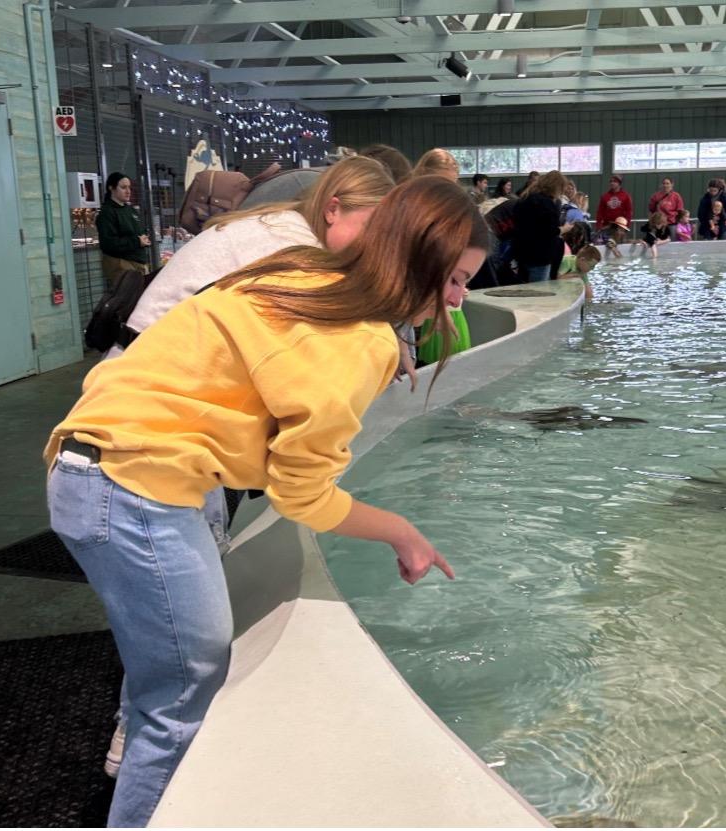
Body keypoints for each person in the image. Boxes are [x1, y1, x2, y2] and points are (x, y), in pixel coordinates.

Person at [44, 176, 488, 828]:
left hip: (95, 462)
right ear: (413, 259)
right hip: (137, 489)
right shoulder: (359, 335)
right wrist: (401, 531)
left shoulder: (301, 272)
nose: (459, 297)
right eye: (452, 278)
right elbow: (301, 493)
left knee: (165, 685)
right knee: (183, 698)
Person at [113, 156, 394, 357]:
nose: (370, 244)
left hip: (153, 367)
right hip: (146, 380)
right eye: (368, 227)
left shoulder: (281, 224)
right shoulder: (288, 243)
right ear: (332, 210)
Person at [511, 169, 568, 283]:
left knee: (525, 286)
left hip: (522, 251)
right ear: (556, 187)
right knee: (540, 290)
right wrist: (563, 229)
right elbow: (549, 231)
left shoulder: (525, 198)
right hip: (540, 255)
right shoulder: (547, 203)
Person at [96, 172, 150, 286]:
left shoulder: (130, 210)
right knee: (129, 299)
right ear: (111, 188)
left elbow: (140, 232)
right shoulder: (107, 213)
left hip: (139, 262)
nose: (128, 191)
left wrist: (144, 239)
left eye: (129, 187)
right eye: (123, 187)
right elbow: (108, 244)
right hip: (122, 264)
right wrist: (137, 241)